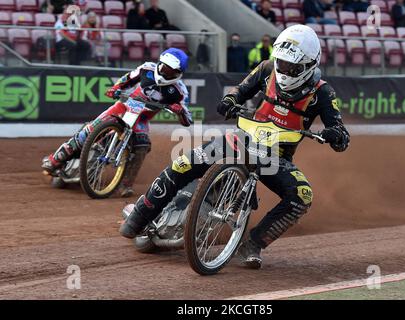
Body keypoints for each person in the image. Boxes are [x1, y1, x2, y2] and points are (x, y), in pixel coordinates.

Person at [119, 25, 350, 269]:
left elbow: (341, 134)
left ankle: (252, 244)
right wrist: (229, 101)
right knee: (183, 163)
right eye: (280, 63)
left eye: (290, 67)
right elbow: (240, 91)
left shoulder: (323, 92)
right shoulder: (265, 69)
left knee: (302, 196)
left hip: (275, 158)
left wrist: (335, 134)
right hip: (241, 139)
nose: (283, 70)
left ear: (308, 65)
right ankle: (140, 215)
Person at [42, 48, 193, 197]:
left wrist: (180, 111)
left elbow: (188, 119)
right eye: (165, 68)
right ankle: (55, 159)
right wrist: (115, 88)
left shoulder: (180, 91)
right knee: (89, 130)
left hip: (142, 118)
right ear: (160, 63)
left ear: (178, 74)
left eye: (171, 71)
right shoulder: (147, 68)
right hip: (123, 106)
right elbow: (128, 78)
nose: (166, 73)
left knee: (142, 145)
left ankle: (126, 184)